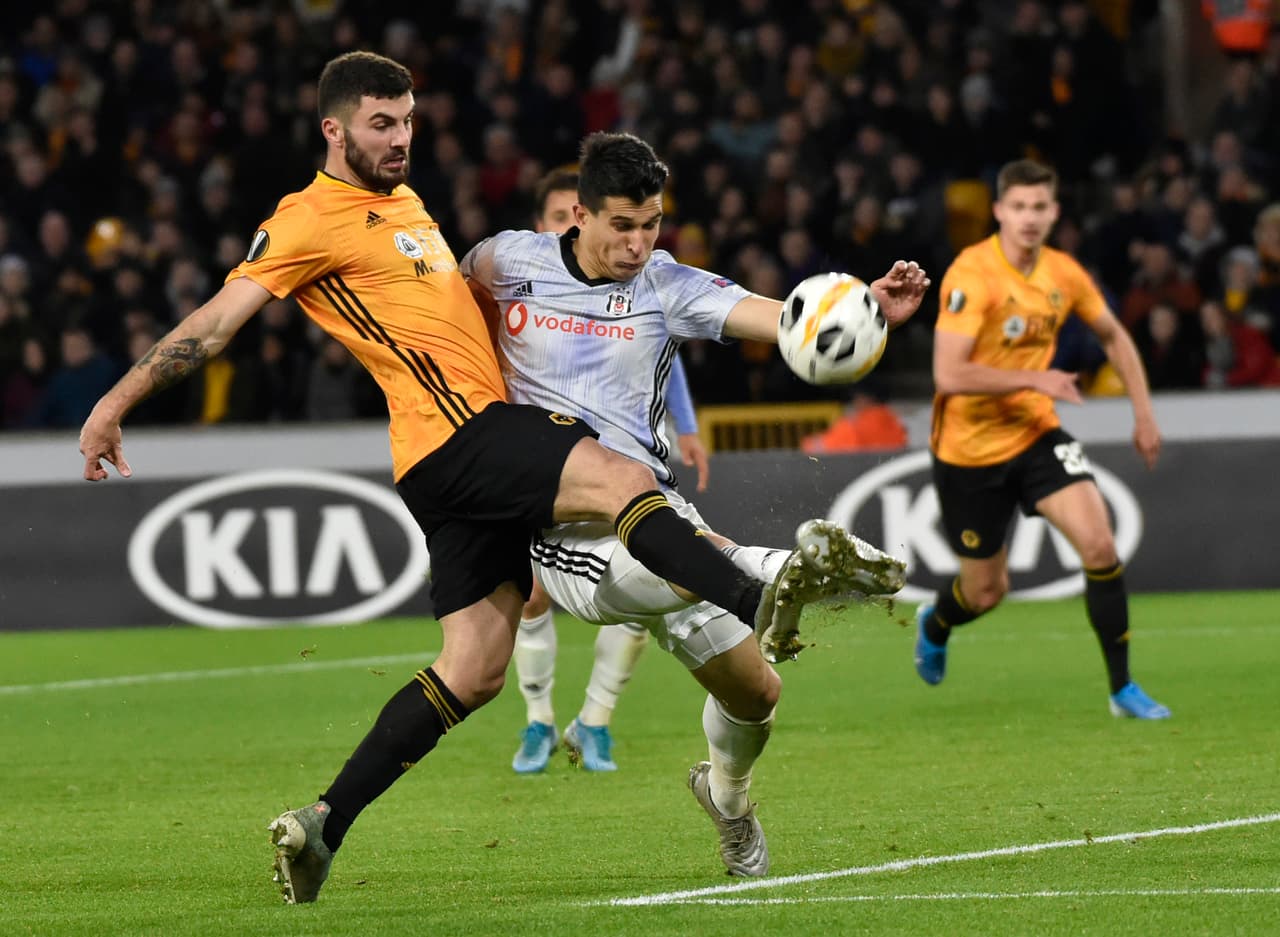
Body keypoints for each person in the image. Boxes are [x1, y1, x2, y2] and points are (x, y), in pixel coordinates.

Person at [76, 53, 846, 905]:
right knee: (620, 476)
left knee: (475, 668)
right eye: (381, 123)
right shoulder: (305, 219)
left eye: (407, 120)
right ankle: (756, 596)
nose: (401, 138)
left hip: (441, 462)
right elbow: (218, 323)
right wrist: (116, 399)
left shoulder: (403, 204)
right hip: (463, 433)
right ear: (333, 129)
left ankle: (323, 822)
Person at [461, 131, 928, 876]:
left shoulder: (663, 283)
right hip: (565, 532)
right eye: (623, 225)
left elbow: (775, 317)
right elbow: (442, 308)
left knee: (756, 694)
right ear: (577, 214)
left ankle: (727, 798)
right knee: (692, 566)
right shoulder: (506, 260)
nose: (640, 242)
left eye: (652, 224)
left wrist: (862, 309)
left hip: (663, 515)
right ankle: (780, 569)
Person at [915, 158, 1171, 720]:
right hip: (968, 451)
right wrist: (1035, 376)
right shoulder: (972, 273)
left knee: (1101, 546)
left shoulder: (1062, 273)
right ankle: (935, 623)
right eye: (1019, 207)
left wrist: (1144, 414)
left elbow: (1115, 336)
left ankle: (1122, 689)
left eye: (1040, 208)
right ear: (1000, 212)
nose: (1029, 218)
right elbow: (950, 375)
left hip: (1035, 432)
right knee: (985, 592)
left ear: (1054, 213)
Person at [510, 167, 712, 775]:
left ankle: (594, 721)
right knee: (532, 595)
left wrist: (688, 424)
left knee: (646, 578)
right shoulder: (520, 281)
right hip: (540, 468)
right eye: (553, 216)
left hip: (625, 453)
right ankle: (538, 720)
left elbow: (659, 348)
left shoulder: (634, 286)